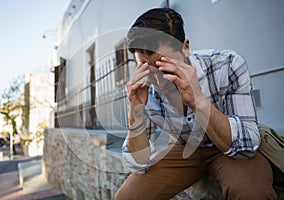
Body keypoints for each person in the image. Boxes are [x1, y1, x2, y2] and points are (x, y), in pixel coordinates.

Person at [115, 8, 276, 200]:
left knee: (251, 192)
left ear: (185, 48)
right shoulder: (144, 87)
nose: (156, 79)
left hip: (227, 144)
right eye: (144, 65)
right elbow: (138, 163)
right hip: (183, 148)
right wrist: (135, 111)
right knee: (128, 196)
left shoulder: (227, 65)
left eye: (161, 63)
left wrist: (197, 100)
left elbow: (247, 146)